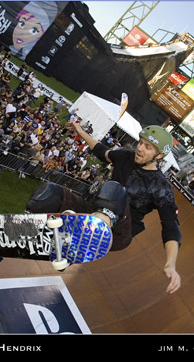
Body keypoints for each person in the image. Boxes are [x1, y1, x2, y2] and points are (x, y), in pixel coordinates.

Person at [26, 123, 182, 294]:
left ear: (158, 156)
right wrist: (80, 131)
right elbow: (102, 152)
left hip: (119, 232)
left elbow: (171, 227)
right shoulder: (125, 156)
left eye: (147, 147)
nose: (139, 149)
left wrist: (170, 264)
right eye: (140, 143)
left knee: (115, 189)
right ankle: (17, 237)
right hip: (93, 211)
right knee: (50, 194)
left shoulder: (161, 187)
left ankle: (80, 241)